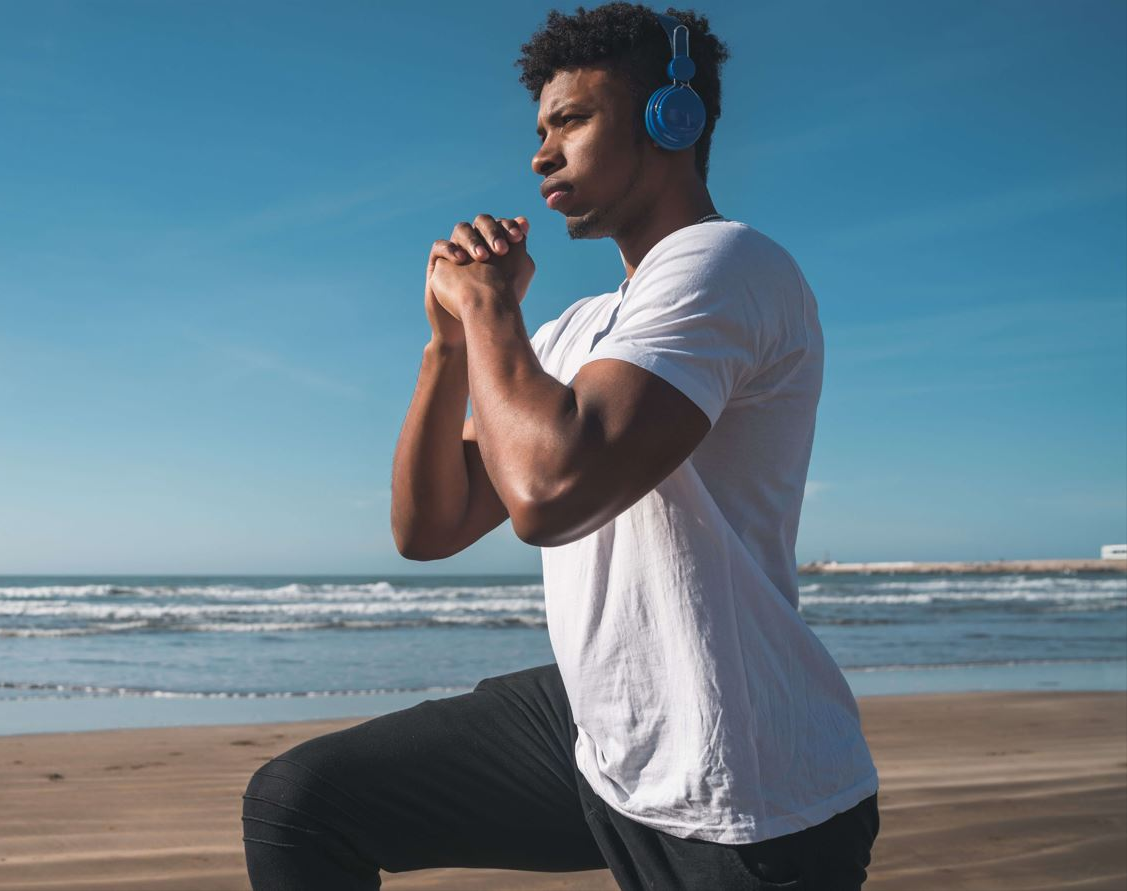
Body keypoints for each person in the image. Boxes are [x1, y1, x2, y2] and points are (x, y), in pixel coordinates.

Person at [240, 4, 880, 889]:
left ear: (672, 117)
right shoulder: (578, 327)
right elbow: (428, 526)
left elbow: (547, 489)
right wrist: (449, 343)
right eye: (540, 130)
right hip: (604, 732)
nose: (540, 152)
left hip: (746, 789)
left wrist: (490, 308)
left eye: (571, 120)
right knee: (297, 800)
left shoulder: (725, 262)